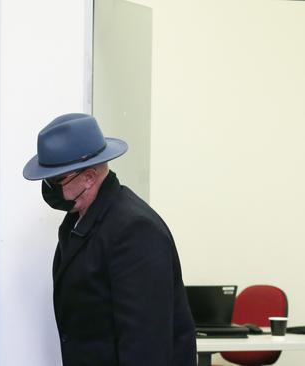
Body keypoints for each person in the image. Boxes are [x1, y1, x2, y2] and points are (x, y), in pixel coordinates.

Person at [22, 113, 196, 365]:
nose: (49, 189)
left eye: (56, 180)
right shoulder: (79, 218)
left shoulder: (134, 231)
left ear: (89, 177)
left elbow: (145, 344)